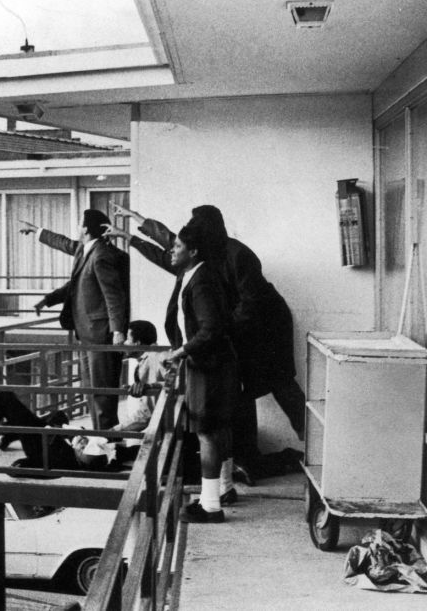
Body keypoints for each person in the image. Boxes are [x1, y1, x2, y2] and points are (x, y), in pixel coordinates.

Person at [109, 203, 307, 480]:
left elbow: (250, 305)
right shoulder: (204, 249)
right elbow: (173, 246)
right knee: (240, 393)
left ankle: (314, 446)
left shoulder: (239, 255)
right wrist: (136, 227)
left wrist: (215, 330)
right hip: (234, 329)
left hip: (267, 329)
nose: (181, 245)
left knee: (282, 385)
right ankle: (244, 459)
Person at [162, 220, 241, 523]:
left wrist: (180, 352)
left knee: (206, 433)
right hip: (213, 365)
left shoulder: (202, 280)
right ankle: (221, 491)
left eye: (178, 246)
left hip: (209, 367)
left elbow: (211, 329)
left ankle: (210, 506)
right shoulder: (196, 273)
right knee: (216, 430)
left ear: (193, 251)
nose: (172, 250)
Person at [27, 209, 130, 429]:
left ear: (85, 229)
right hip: (86, 332)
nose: (77, 227)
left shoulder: (101, 255)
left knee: (101, 392)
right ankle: (100, 439)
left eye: (80, 223)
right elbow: (65, 247)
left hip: (100, 334)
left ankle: (108, 442)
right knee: (91, 390)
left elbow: (114, 296)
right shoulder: (86, 250)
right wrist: (47, 300)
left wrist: (118, 330)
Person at [0, 391, 80, 470]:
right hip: (45, 435)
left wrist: (27, 463)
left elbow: (47, 462)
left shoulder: (75, 458)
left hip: (41, 443)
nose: (83, 444)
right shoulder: (83, 448)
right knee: (5, 397)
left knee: (3, 397)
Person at [111, 320, 169, 461]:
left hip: (172, 427)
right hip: (160, 424)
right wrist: (115, 431)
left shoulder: (160, 355)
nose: (123, 343)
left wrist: (151, 386)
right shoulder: (146, 360)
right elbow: (144, 415)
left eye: (127, 339)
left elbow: (178, 381)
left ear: (137, 342)